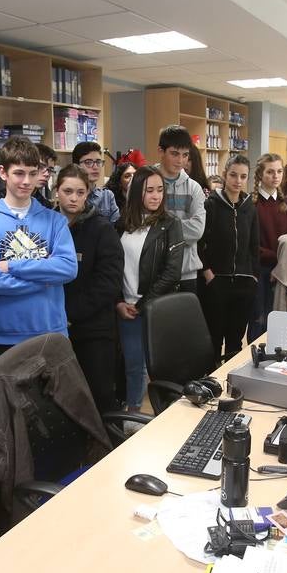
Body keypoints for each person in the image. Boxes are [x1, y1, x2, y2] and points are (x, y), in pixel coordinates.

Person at [0, 137, 78, 364]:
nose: (27, 181)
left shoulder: (55, 221)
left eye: (32, 173)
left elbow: (68, 269)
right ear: (3, 172)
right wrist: (46, 279)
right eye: (19, 173)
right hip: (4, 334)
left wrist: (12, 266)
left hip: (51, 330)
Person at [56, 163, 124, 412]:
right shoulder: (48, 227)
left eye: (80, 192)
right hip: (55, 329)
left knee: (99, 398)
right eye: (67, 191)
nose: (73, 198)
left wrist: (71, 314)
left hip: (94, 330)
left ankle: (107, 450)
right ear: (56, 191)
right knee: (62, 400)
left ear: (88, 193)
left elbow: (108, 283)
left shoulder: (102, 229)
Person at [117, 165, 183, 413]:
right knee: (133, 366)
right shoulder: (122, 224)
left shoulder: (170, 224)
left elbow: (171, 273)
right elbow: (113, 268)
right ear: (136, 193)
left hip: (155, 308)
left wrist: (142, 305)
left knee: (160, 368)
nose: (156, 196)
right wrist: (119, 302)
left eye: (159, 190)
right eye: (149, 191)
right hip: (126, 308)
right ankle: (132, 415)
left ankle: (165, 415)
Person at [199, 154, 259, 365]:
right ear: (225, 175)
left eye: (243, 176)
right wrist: (208, 274)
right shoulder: (211, 204)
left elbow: (254, 245)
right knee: (214, 339)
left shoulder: (249, 207)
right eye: (233, 175)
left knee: (235, 341)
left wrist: (253, 277)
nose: (238, 180)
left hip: (244, 284)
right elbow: (200, 243)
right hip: (217, 282)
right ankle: (212, 384)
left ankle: (232, 382)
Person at [156, 125, 206, 293]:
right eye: (175, 154)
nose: (180, 161)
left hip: (187, 273)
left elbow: (197, 230)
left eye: (185, 155)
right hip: (153, 270)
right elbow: (139, 226)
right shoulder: (144, 183)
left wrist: (161, 228)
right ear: (161, 151)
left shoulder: (195, 188)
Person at [249, 153, 287, 342]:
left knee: (277, 318)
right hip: (259, 271)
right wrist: (273, 262)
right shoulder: (252, 204)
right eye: (270, 172)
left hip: (280, 270)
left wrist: (280, 266)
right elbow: (250, 245)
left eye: (279, 171)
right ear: (260, 175)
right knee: (258, 319)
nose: (276, 176)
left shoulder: (285, 203)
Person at [73, 141, 119, 224]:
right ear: (76, 165)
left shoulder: (107, 195)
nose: (95, 167)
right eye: (88, 162)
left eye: (98, 162)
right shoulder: (71, 196)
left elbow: (116, 227)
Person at [33, 142, 57, 207]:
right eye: (40, 167)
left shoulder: (46, 206)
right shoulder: (3, 199)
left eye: (50, 169)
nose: (46, 174)